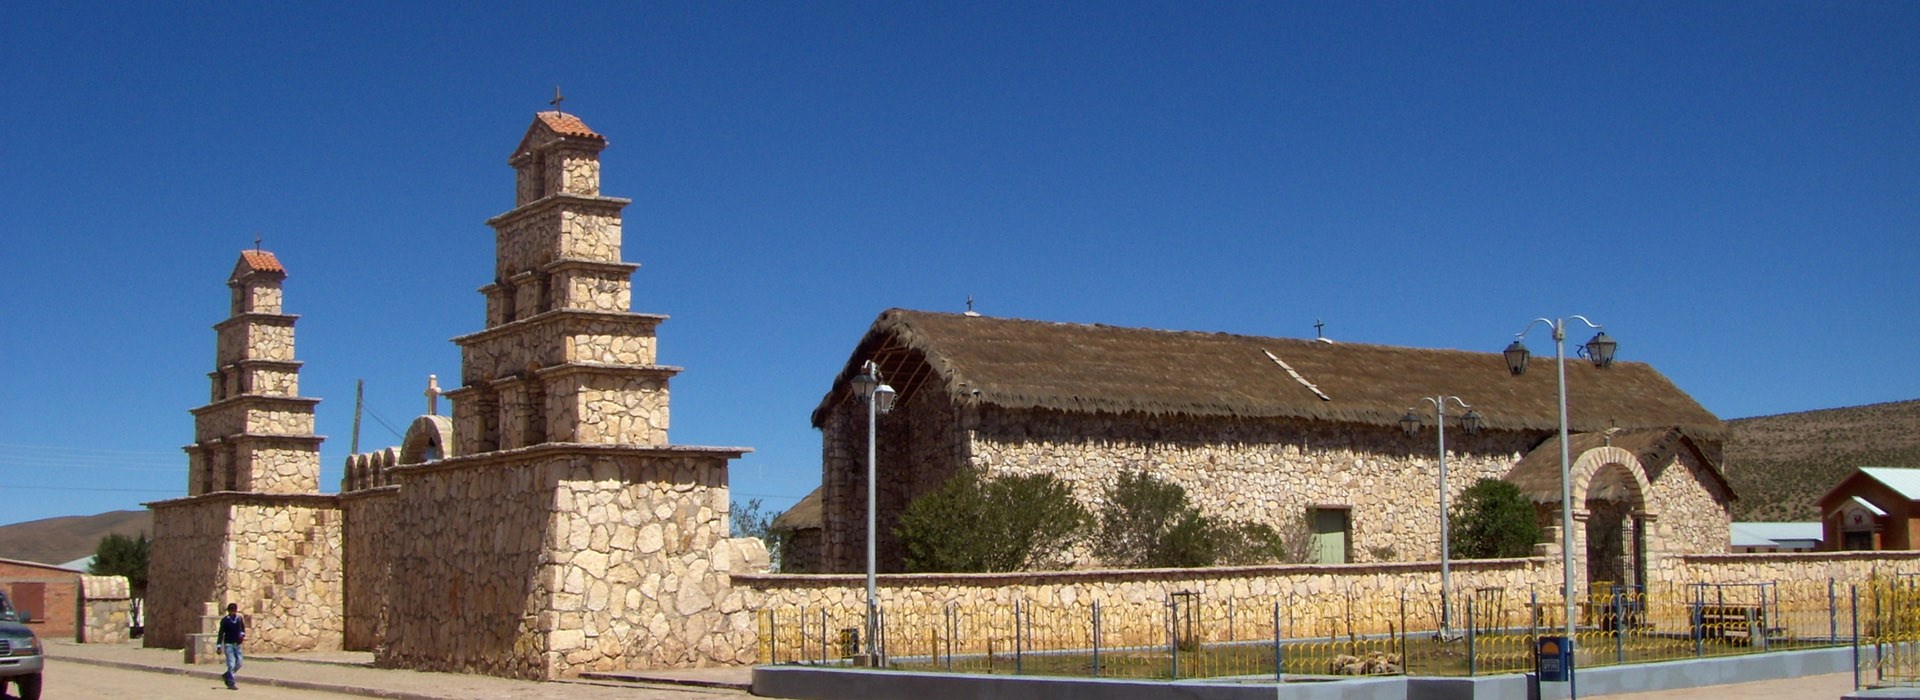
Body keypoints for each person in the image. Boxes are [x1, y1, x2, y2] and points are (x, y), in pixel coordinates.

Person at [217, 603, 246, 690]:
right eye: (231, 611)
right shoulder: (225, 620)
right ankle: (231, 682)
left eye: (234, 611)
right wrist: (219, 646)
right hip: (228, 644)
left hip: (237, 644)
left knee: (239, 663)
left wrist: (242, 635)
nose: (233, 612)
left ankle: (228, 675)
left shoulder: (239, 619)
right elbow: (221, 633)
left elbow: (242, 629)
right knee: (231, 663)